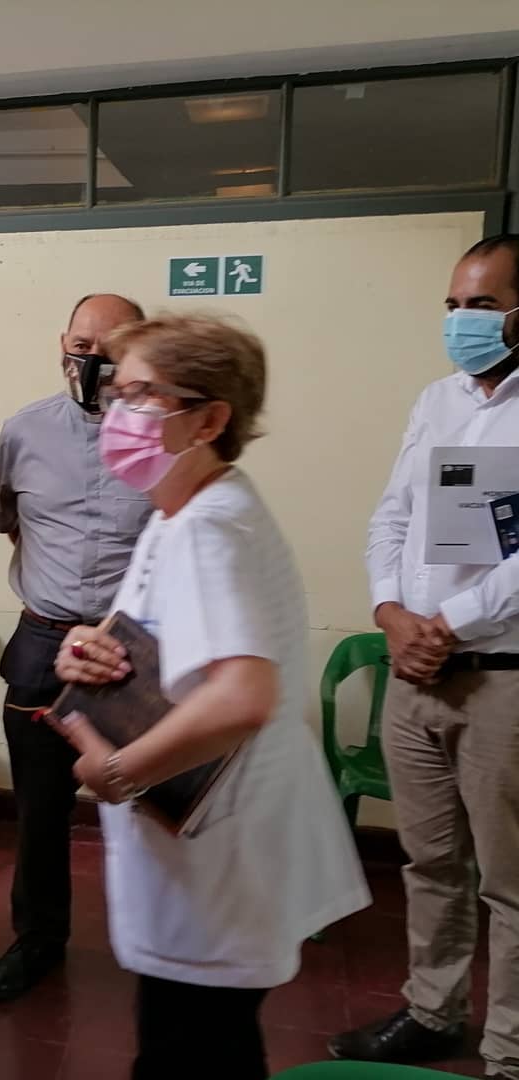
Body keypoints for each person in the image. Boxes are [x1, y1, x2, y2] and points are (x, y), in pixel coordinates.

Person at [49, 313, 370, 1079]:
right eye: (116, 393)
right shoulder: (186, 511)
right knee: (197, 1042)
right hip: (205, 840)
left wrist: (115, 773)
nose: (117, 412)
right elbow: (177, 643)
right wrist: (91, 645)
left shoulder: (208, 528)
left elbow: (242, 697)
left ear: (210, 420)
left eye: (142, 395)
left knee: (191, 1052)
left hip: (217, 848)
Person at [330, 234, 519, 1079]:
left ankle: (511, 1051)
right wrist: (389, 611)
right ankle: (434, 1013)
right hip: (413, 674)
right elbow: (391, 517)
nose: (460, 321)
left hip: (500, 681)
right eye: (452, 305)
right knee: (432, 862)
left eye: (481, 305)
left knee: (510, 884)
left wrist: (450, 620)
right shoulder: (435, 401)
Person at [0, 293, 152, 1002]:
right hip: (43, 642)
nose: (92, 362)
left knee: (149, 805)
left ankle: (159, 944)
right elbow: (8, 519)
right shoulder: (22, 431)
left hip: (134, 654)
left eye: (110, 352)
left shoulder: (161, 440)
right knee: (40, 811)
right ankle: (38, 940)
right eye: (82, 347)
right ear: (62, 344)